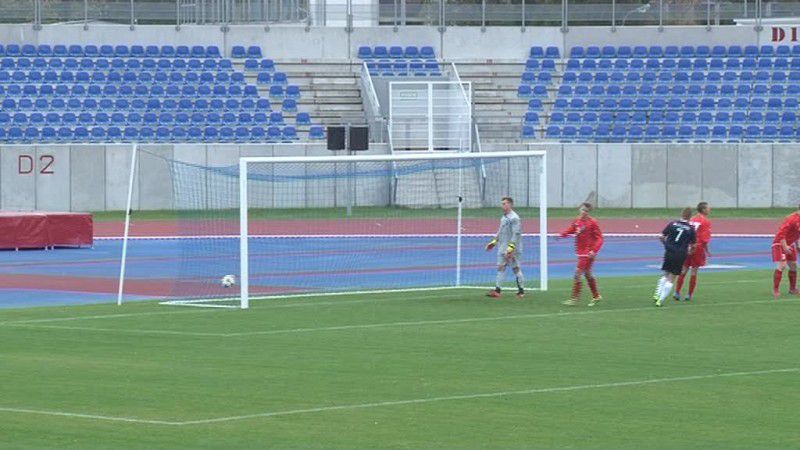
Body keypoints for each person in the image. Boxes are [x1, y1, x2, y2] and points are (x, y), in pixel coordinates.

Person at [560, 202, 604, 306]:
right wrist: (563, 234)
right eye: (582, 210)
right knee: (588, 274)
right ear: (579, 209)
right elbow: (572, 229)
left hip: (588, 253)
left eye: (586, 211)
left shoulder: (592, 222)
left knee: (577, 273)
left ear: (589, 212)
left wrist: (594, 250)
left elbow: (600, 238)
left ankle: (575, 298)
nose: (583, 212)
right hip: (580, 251)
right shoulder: (577, 221)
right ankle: (596, 296)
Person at [654, 207, 697, 307]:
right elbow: (694, 244)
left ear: (681, 214)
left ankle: (657, 294)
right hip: (681, 254)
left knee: (665, 273)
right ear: (690, 217)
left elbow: (661, 237)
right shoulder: (691, 228)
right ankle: (660, 300)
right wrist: (690, 251)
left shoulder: (672, 224)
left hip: (669, 251)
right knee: (672, 277)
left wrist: (666, 245)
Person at [485, 197, 525, 299]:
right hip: (503, 247)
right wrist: (494, 242)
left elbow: (516, 234)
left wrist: (511, 248)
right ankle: (497, 291)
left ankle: (521, 291)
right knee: (501, 267)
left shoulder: (514, 218)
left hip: (512, 248)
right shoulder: (504, 217)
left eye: (505, 203)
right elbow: (501, 231)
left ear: (510, 204)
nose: (503, 205)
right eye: (502, 204)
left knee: (515, 268)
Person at [674, 202, 712, 302]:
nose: (710, 209)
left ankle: (677, 292)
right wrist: (707, 251)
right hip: (697, 247)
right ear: (703, 210)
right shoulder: (706, 222)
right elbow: (704, 239)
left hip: (687, 246)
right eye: (708, 208)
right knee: (694, 271)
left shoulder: (692, 219)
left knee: (684, 269)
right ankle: (689, 295)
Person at [771, 205, 800, 298]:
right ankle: (776, 290)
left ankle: (792, 289)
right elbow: (781, 234)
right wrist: (785, 246)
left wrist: (798, 246)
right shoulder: (791, 219)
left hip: (789, 244)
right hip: (779, 244)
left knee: (794, 266)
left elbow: (797, 234)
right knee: (782, 265)